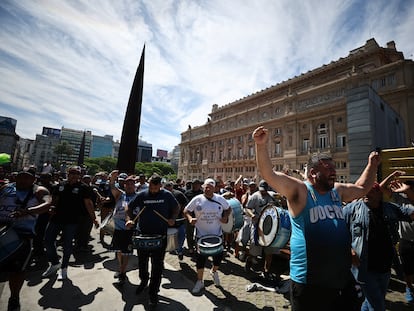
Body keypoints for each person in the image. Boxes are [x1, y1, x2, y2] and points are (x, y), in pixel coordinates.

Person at [252, 125, 380, 311]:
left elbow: (361, 188)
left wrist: (372, 165)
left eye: (334, 168)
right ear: (313, 173)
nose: (334, 172)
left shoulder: (337, 191)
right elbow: (269, 174)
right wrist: (261, 145)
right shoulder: (300, 191)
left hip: (341, 278)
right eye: (328, 169)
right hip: (309, 283)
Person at [343, 180, 414, 311]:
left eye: (371, 190)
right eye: (364, 190)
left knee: (373, 300)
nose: (366, 193)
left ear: (379, 193)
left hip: (385, 266)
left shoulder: (390, 208)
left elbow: (411, 214)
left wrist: (408, 192)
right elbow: (340, 232)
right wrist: (349, 250)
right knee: (377, 306)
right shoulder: (351, 210)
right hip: (364, 267)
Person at [0, 167, 51, 311]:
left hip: (22, 237)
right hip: (1, 232)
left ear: (33, 179)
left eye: (27, 177)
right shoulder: (6, 188)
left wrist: (28, 211)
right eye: (21, 176)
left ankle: (14, 297)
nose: (23, 179)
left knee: (17, 270)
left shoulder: (39, 190)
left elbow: (47, 203)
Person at [125, 174, 179, 306]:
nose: (153, 190)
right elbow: (129, 207)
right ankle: (144, 281)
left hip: (160, 235)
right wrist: (129, 219)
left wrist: (173, 218)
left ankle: (153, 292)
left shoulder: (167, 195)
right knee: (142, 262)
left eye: (155, 188)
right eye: (151, 187)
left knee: (157, 265)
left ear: (160, 185)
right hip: (143, 233)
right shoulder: (142, 195)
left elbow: (176, 208)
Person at [42, 166, 99, 280]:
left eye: (77, 173)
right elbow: (54, 199)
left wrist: (94, 218)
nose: (74, 175)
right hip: (56, 218)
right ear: (67, 174)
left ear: (80, 175)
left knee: (67, 245)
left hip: (72, 220)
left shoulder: (83, 187)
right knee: (47, 241)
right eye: (72, 173)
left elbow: (88, 203)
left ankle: (64, 269)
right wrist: (51, 207)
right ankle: (55, 263)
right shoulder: (60, 185)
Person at [183, 178, 231, 294]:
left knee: (218, 260)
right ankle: (200, 281)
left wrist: (225, 217)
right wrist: (190, 219)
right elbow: (186, 211)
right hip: (201, 235)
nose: (207, 188)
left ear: (214, 188)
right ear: (203, 187)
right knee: (200, 260)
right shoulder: (197, 199)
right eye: (205, 186)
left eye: (210, 186)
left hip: (217, 235)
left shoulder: (220, 199)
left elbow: (228, 209)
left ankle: (214, 272)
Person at [379, 171, 414, 304]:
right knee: (407, 269)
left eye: (407, 187)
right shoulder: (400, 198)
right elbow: (381, 188)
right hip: (406, 240)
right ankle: (409, 288)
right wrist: (392, 175)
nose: (403, 189)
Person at [244, 180, 279, 280]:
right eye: (261, 190)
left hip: (270, 226)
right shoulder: (255, 196)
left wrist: (281, 200)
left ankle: (266, 270)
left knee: (270, 249)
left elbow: (281, 205)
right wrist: (252, 215)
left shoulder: (272, 196)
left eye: (265, 190)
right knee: (254, 246)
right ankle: (249, 261)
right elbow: (247, 208)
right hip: (257, 225)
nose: (263, 192)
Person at [108, 171, 137, 284]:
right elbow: (111, 187)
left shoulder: (138, 197)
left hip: (129, 230)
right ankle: (121, 269)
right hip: (118, 228)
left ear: (134, 185)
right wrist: (112, 178)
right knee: (119, 251)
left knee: (126, 252)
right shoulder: (120, 194)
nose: (129, 186)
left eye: (131, 184)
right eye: (127, 184)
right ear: (124, 185)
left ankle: (123, 273)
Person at [163, 181, 188, 260]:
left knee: (181, 237)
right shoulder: (161, 195)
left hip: (179, 221)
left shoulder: (179, 194)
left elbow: (185, 204)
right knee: (164, 242)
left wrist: (184, 212)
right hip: (165, 222)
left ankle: (179, 250)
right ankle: (162, 259)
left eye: (170, 190)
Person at [184, 179, 204, 255]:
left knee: (199, 232)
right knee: (189, 233)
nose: (195, 186)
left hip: (200, 216)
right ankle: (190, 247)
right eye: (194, 184)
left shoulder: (202, 193)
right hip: (190, 216)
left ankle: (198, 246)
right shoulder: (187, 193)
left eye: (197, 184)